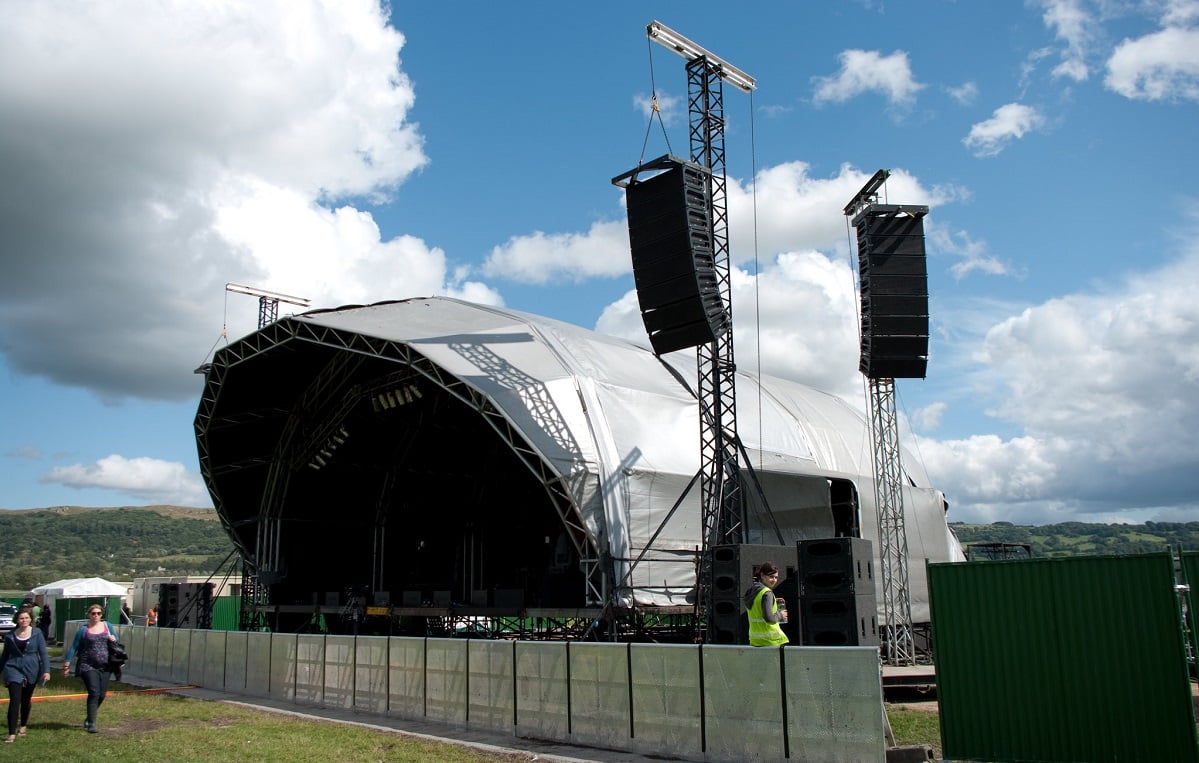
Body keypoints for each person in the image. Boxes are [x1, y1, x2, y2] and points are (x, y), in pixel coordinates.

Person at [62, 605, 117, 733]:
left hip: (105, 665)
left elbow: (116, 639)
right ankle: (92, 724)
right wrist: (66, 664)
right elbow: (74, 647)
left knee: (101, 695)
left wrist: (113, 638)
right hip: (87, 665)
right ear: (89, 615)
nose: (96, 615)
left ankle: (89, 717)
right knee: (94, 692)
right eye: (93, 613)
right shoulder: (83, 630)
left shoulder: (107, 626)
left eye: (98, 613)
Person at [0, 609, 51, 744]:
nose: (24, 620)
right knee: (14, 700)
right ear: (17, 620)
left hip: (31, 668)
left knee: (25, 699)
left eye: (26, 618)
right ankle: (11, 733)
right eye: (21, 618)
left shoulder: (37, 633)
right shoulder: (10, 636)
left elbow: (43, 654)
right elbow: (5, 656)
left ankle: (23, 725)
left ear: (31, 619)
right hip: (13, 668)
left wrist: (46, 671)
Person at [744, 561, 789, 647]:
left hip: (755, 641)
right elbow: (769, 618)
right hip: (771, 641)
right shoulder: (767, 593)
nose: (774, 580)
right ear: (762, 576)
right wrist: (780, 615)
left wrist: (773, 601)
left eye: (776, 577)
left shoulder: (752, 591)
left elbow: (758, 607)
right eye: (771, 577)